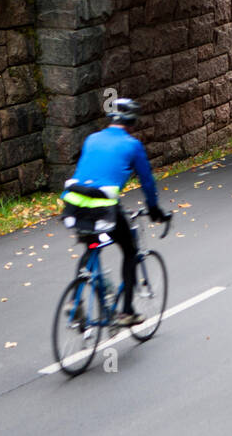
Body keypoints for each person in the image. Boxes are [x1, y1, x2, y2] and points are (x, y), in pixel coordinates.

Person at [60, 98, 169, 326]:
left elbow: (92, 169)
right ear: (132, 122)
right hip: (102, 206)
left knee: (92, 244)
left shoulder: (92, 138)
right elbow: (147, 183)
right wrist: (155, 211)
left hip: (73, 203)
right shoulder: (132, 145)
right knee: (130, 249)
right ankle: (127, 311)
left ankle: (75, 300)